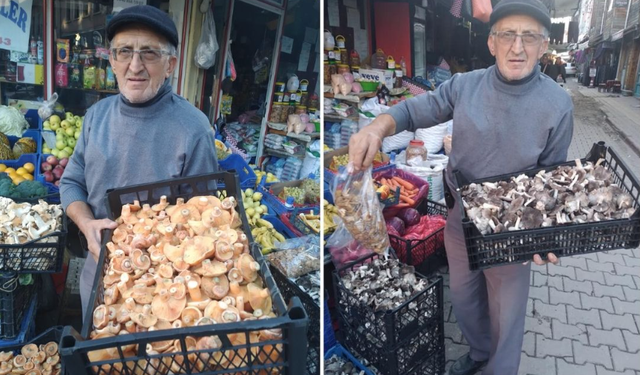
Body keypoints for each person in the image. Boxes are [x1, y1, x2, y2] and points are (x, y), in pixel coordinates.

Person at [348, 0, 573, 374]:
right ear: (491, 43)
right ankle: (480, 353)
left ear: (544, 45)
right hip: (461, 217)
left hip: (512, 230)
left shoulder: (557, 104)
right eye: (507, 35)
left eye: (529, 37)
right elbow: (414, 111)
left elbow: (552, 179)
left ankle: (499, 367)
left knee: (507, 310)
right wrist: (377, 125)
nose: (517, 48)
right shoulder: (464, 86)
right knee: (466, 299)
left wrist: (545, 236)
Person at [60, 5, 218, 315]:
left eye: (148, 53)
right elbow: (71, 182)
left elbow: (204, 223)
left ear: (170, 65)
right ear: (111, 61)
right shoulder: (96, 117)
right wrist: (87, 222)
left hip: (162, 289)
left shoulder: (194, 130)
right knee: (97, 357)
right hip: (97, 272)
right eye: (124, 52)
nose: (135, 65)